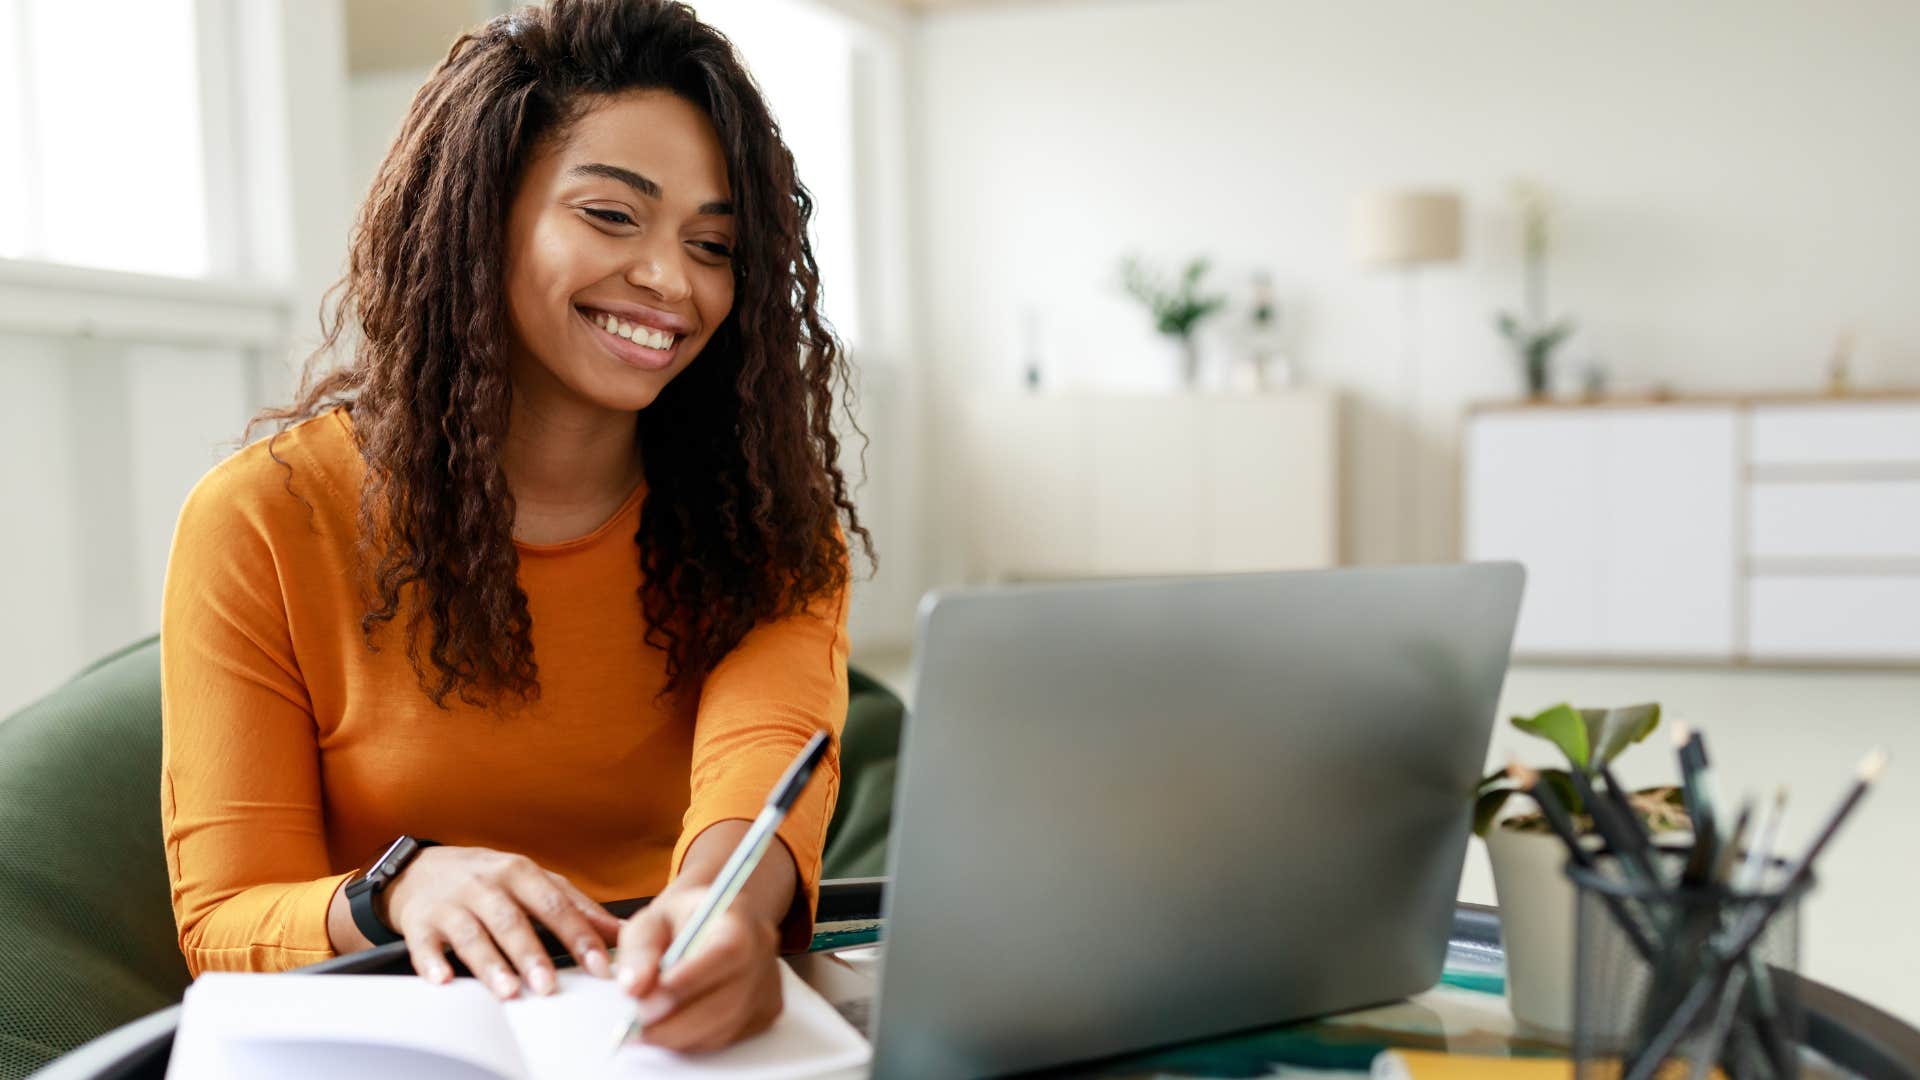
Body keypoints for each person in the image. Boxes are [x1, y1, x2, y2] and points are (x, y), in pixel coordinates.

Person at [159, 0, 869, 1054]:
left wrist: (728, 913)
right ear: (479, 211)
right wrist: (398, 890)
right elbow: (223, 919)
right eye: (612, 216)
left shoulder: (765, 515)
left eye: (713, 243)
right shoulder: (264, 518)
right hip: (398, 1035)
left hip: (669, 1033)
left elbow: (759, 758)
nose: (671, 281)